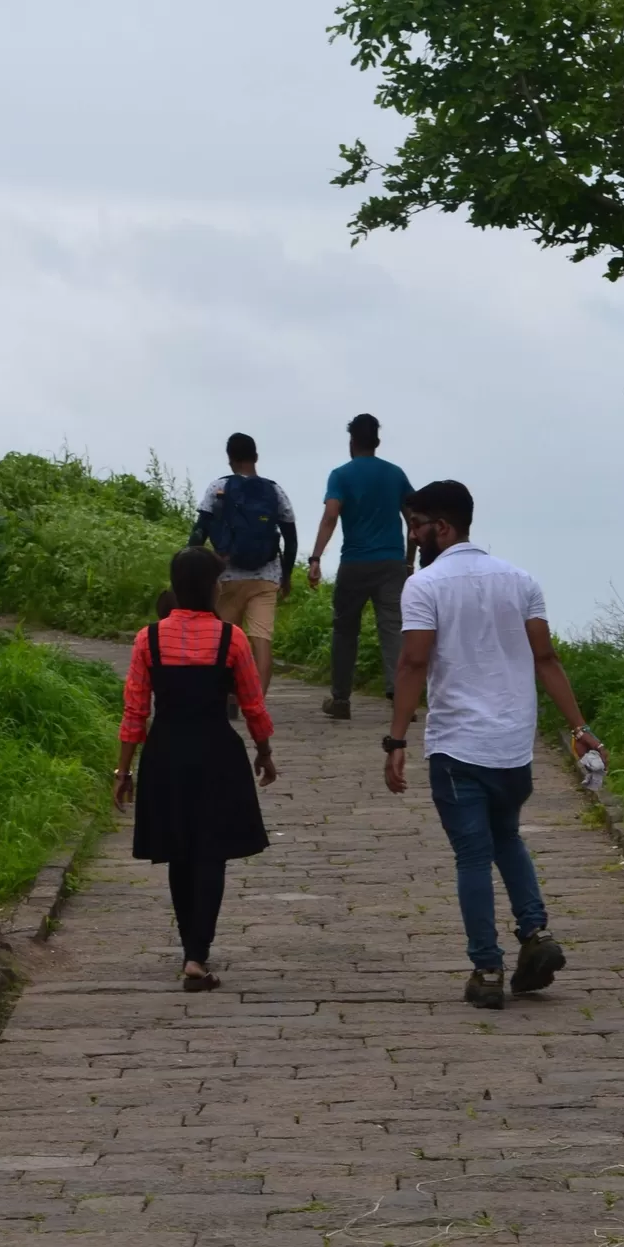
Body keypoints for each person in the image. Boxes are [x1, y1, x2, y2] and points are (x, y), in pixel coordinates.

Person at [382, 481, 607, 1010]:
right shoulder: (519, 580)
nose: (412, 537)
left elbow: (413, 662)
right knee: (507, 836)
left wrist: (396, 738)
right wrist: (579, 729)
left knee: (472, 856)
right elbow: (546, 658)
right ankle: (535, 935)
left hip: (458, 744)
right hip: (513, 744)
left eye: (417, 526)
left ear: (443, 526)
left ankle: (486, 968)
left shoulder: (424, 586)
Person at [114, 546, 277, 990]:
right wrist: (264, 751)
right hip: (216, 754)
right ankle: (197, 955)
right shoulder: (232, 638)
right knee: (211, 854)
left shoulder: (148, 639)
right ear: (211, 586)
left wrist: (123, 772)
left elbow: (135, 712)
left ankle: (190, 949)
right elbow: (252, 703)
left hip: (166, 754)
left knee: (179, 851)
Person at [307, 414, 414, 719]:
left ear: (352, 441)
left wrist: (315, 558)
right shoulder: (396, 475)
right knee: (393, 627)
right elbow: (413, 520)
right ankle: (400, 696)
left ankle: (341, 699)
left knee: (344, 630)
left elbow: (330, 516)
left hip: (354, 562)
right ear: (377, 442)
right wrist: (409, 559)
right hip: (392, 563)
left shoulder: (340, 475)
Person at [190, 432, 297, 694]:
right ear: (256, 457)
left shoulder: (219, 487)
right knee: (262, 640)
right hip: (266, 577)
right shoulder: (274, 490)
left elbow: (198, 533)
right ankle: (256, 701)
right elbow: (290, 539)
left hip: (227, 576)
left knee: (224, 641)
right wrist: (286, 576)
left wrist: (193, 571)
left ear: (230, 459)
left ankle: (224, 696)